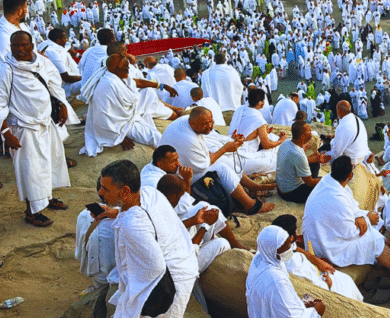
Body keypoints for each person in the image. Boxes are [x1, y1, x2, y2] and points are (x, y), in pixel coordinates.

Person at [0, 31, 74, 227]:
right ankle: (31, 211)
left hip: (45, 123)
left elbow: (54, 85)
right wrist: (6, 133)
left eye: (24, 45)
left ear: (31, 46)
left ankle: (47, 198)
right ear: (11, 47)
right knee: (31, 172)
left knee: (49, 164)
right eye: (15, 46)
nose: (20, 49)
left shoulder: (42, 63)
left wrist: (63, 105)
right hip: (23, 128)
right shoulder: (6, 70)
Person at [98, 160, 198, 318]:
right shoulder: (150, 193)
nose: (101, 193)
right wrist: (115, 212)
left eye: (105, 188)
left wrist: (135, 296)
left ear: (125, 191)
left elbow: (156, 267)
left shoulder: (132, 224)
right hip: (182, 263)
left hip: (170, 283)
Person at [302, 156, 390, 278]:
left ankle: (382, 243)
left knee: (375, 219)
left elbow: (350, 204)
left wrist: (361, 216)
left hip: (322, 233)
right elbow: (349, 233)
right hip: (325, 245)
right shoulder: (337, 198)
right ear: (350, 176)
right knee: (375, 240)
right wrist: (367, 221)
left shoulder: (329, 181)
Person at [159, 107, 275, 215]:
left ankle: (251, 186)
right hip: (181, 175)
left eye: (211, 121)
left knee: (224, 160)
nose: (210, 126)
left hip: (184, 164)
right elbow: (204, 166)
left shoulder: (187, 122)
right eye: (205, 124)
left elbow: (202, 145)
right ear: (193, 125)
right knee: (222, 168)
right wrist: (225, 149)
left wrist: (224, 147)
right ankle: (250, 205)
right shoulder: (188, 138)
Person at [81, 54, 164, 156]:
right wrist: (119, 137)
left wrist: (158, 85)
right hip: (119, 126)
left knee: (148, 93)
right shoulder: (108, 85)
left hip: (127, 116)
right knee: (155, 137)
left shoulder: (115, 75)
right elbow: (103, 117)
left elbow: (135, 83)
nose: (129, 70)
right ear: (118, 70)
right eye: (126, 68)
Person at [271, 214, 363, 301]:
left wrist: (316, 260)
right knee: (346, 285)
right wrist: (328, 284)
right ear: (291, 237)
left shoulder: (275, 245)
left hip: (315, 274)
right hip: (320, 286)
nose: (297, 232)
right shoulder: (295, 263)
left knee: (345, 278)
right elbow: (314, 286)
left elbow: (294, 247)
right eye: (295, 230)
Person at [246, 225, 326, 317]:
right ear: (274, 250)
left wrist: (299, 305)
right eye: (286, 247)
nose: (290, 249)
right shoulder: (276, 280)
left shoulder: (259, 258)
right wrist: (316, 311)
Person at [228, 87, 287, 173]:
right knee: (276, 159)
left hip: (234, 146)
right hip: (243, 155)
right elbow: (266, 145)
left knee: (274, 142)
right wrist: (281, 140)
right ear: (261, 103)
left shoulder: (240, 109)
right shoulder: (258, 119)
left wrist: (263, 132)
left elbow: (247, 130)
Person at [75, 178, 116, 291]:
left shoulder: (84, 215)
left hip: (96, 274)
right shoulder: (127, 218)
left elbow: (79, 251)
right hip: (119, 277)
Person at [276, 121, 329, 203]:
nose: (311, 131)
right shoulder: (299, 155)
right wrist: (327, 178)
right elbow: (310, 183)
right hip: (289, 193)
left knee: (315, 163)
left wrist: (316, 158)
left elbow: (295, 158)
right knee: (326, 185)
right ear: (302, 136)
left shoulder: (286, 142)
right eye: (308, 130)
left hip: (280, 188)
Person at [38, 27, 82, 98]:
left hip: (67, 79)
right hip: (62, 86)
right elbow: (66, 78)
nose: (66, 40)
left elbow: (67, 48)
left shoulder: (48, 43)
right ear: (58, 40)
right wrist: (84, 78)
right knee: (92, 82)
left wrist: (79, 56)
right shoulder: (53, 52)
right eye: (64, 38)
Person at [0, 0, 31, 69]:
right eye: (26, 9)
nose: (26, 12)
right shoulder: (3, 38)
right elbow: (0, 68)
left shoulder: (21, 25)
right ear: (20, 11)